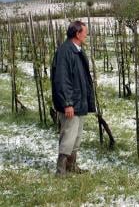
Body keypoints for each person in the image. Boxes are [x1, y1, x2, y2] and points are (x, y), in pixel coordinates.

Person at [51, 20, 95, 176]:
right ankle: (61, 170)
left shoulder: (77, 50)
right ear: (77, 33)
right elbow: (62, 80)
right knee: (68, 136)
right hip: (71, 104)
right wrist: (67, 103)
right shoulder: (65, 51)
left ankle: (71, 165)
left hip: (79, 102)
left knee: (76, 137)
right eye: (85, 32)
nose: (86, 35)